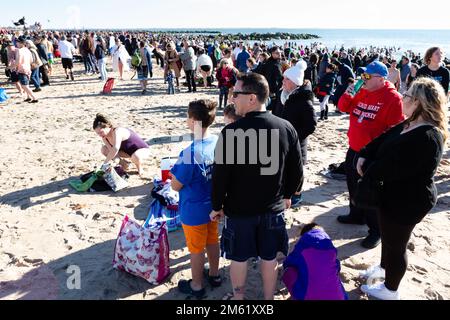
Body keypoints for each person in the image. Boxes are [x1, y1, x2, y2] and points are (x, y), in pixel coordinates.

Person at [210, 72, 303, 300]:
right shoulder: (285, 127)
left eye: (236, 94)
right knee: (269, 258)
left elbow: (220, 176)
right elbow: (297, 172)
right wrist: (289, 194)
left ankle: (239, 300)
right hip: (272, 208)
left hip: (240, 210)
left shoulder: (231, 132)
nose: (232, 99)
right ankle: (268, 300)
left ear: (252, 98)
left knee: (239, 258)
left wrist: (216, 205)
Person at [357, 78, 447, 300]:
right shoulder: (410, 123)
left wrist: (368, 167)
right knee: (388, 237)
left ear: (418, 102)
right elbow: (384, 139)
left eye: (407, 96)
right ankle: (383, 268)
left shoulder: (428, 137)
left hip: (408, 202)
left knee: (396, 245)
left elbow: (394, 168)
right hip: (392, 196)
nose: (402, 98)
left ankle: (390, 290)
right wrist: (366, 153)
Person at [337, 61, 404, 249]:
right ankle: (355, 215)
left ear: (381, 79)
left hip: (373, 154)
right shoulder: (361, 90)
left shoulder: (392, 98)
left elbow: (395, 129)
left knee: (371, 192)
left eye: (367, 76)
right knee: (352, 183)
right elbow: (342, 107)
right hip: (354, 147)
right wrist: (349, 91)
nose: (362, 79)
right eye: (362, 75)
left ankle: (376, 231)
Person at [170, 99, 222, 299]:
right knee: (212, 240)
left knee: (196, 248)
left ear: (193, 120)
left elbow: (175, 185)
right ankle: (215, 275)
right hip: (214, 205)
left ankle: (197, 285)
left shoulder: (189, 153)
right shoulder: (218, 141)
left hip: (194, 210)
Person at [277, 61, 317, 207]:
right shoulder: (283, 96)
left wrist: (294, 137)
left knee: (296, 171)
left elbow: (311, 125)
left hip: (297, 143)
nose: (283, 81)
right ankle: (286, 193)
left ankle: (297, 195)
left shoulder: (304, 100)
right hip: (281, 140)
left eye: (286, 79)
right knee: (284, 169)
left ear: (294, 82)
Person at [282, 223, 348, 300]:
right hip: (340, 298)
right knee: (334, 276)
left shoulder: (303, 246)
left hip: (307, 297)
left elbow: (289, 262)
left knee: (289, 271)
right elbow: (337, 266)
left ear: (303, 235)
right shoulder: (330, 248)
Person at [15, 37, 38, 103]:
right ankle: (28, 97)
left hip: (22, 69)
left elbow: (17, 62)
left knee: (24, 85)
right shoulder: (27, 50)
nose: (16, 43)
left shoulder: (19, 50)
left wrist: (12, 66)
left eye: (18, 42)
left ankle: (34, 98)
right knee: (26, 84)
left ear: (21, 43)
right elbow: (31, 60)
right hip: (28, 68)